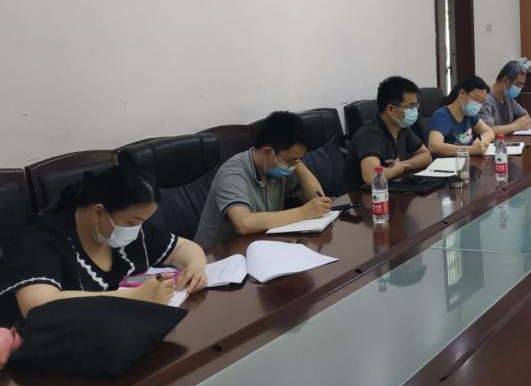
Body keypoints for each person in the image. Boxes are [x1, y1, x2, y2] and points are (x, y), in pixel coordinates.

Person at [0, 164, 208, 322]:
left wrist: (195, 266)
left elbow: (182, 247)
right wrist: (135, 296)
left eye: (143, 222)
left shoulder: (127, 230)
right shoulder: (38, 241)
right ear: (99, 212)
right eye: (133, 222)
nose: (138, 229)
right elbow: (37, 306)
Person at [194, 111, 332, 249]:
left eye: (297, 160)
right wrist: (303, 212)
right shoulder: (232, 172)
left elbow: (317, 199)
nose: (292, 166)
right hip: (215, 255)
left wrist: (297, 162)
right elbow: (243, 223)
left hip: (258, 246)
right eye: (292, 160)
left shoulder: (277, 166)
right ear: (268, 151)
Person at [346, 76, 433, 186]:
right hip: (364, 194)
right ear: (391, 110)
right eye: (411, 106)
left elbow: (426, 156)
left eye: (416, 106)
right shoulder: (370, 134)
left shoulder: (402, 128)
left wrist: (402, 165)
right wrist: (397, 169)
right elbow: (372, 176)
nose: (415, 111)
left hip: (391, 188)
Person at [427, 76, 495, 156]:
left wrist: (482, 141)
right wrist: (471, 150)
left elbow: (489, 132)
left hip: (465, 161)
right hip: (447, 162)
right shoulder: (442, 116)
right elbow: (434, 146)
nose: (479, 105)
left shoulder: (470, 114)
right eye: (477, 99)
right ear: (462, 93)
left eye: (482, 102)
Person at [480, 60, 531, 136]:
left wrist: (520, 124)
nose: (520, 88)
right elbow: (486, 130)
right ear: (506, 80)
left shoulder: (508, 98)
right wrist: (515, 126)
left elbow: (528, 118)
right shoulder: (485, 98)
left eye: (522, 85)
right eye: (518, 84)